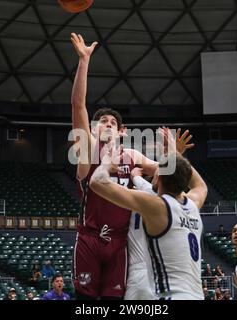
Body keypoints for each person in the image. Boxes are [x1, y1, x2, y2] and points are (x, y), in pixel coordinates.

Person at [70, 33, 162, 300]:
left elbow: (167, 172)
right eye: (102, 121)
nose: (107, 124)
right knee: (85, 302)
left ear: (122, 132)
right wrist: (84, 61)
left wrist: (173, 156)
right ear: (94, 128)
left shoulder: (132, 155)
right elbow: (78, 105)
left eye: (112, 122)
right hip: (89, 237)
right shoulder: (87, 148)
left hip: (120, 243)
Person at [89, 151, 208, 300]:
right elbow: (201, 185)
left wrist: (105, 165)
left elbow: (96, 182)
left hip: (172, 296)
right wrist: (175, 154)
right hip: (197, 296)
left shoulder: (156, 206)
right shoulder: (194, 203)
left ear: (160, 178)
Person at [124, 129, 194, 300]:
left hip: (139, 273)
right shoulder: (178, 203)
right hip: (164, 276)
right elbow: (179, 175)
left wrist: (134, 174)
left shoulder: (141, 195)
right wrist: (174, 153)